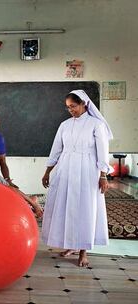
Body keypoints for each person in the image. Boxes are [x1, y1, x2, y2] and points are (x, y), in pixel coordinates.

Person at [41, 90, 113, 267]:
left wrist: (103, 175)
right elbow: (56, 149)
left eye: (73, 106)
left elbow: (103, 151)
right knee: (67, 207)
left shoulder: (96, 124)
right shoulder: (65, 125)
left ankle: (83, 251)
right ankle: (71, 245)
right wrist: (47, 171)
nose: (70, 110)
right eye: (68, 107)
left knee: (84, 209)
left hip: (88, 170)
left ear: (84, 104)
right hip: (66, 169)